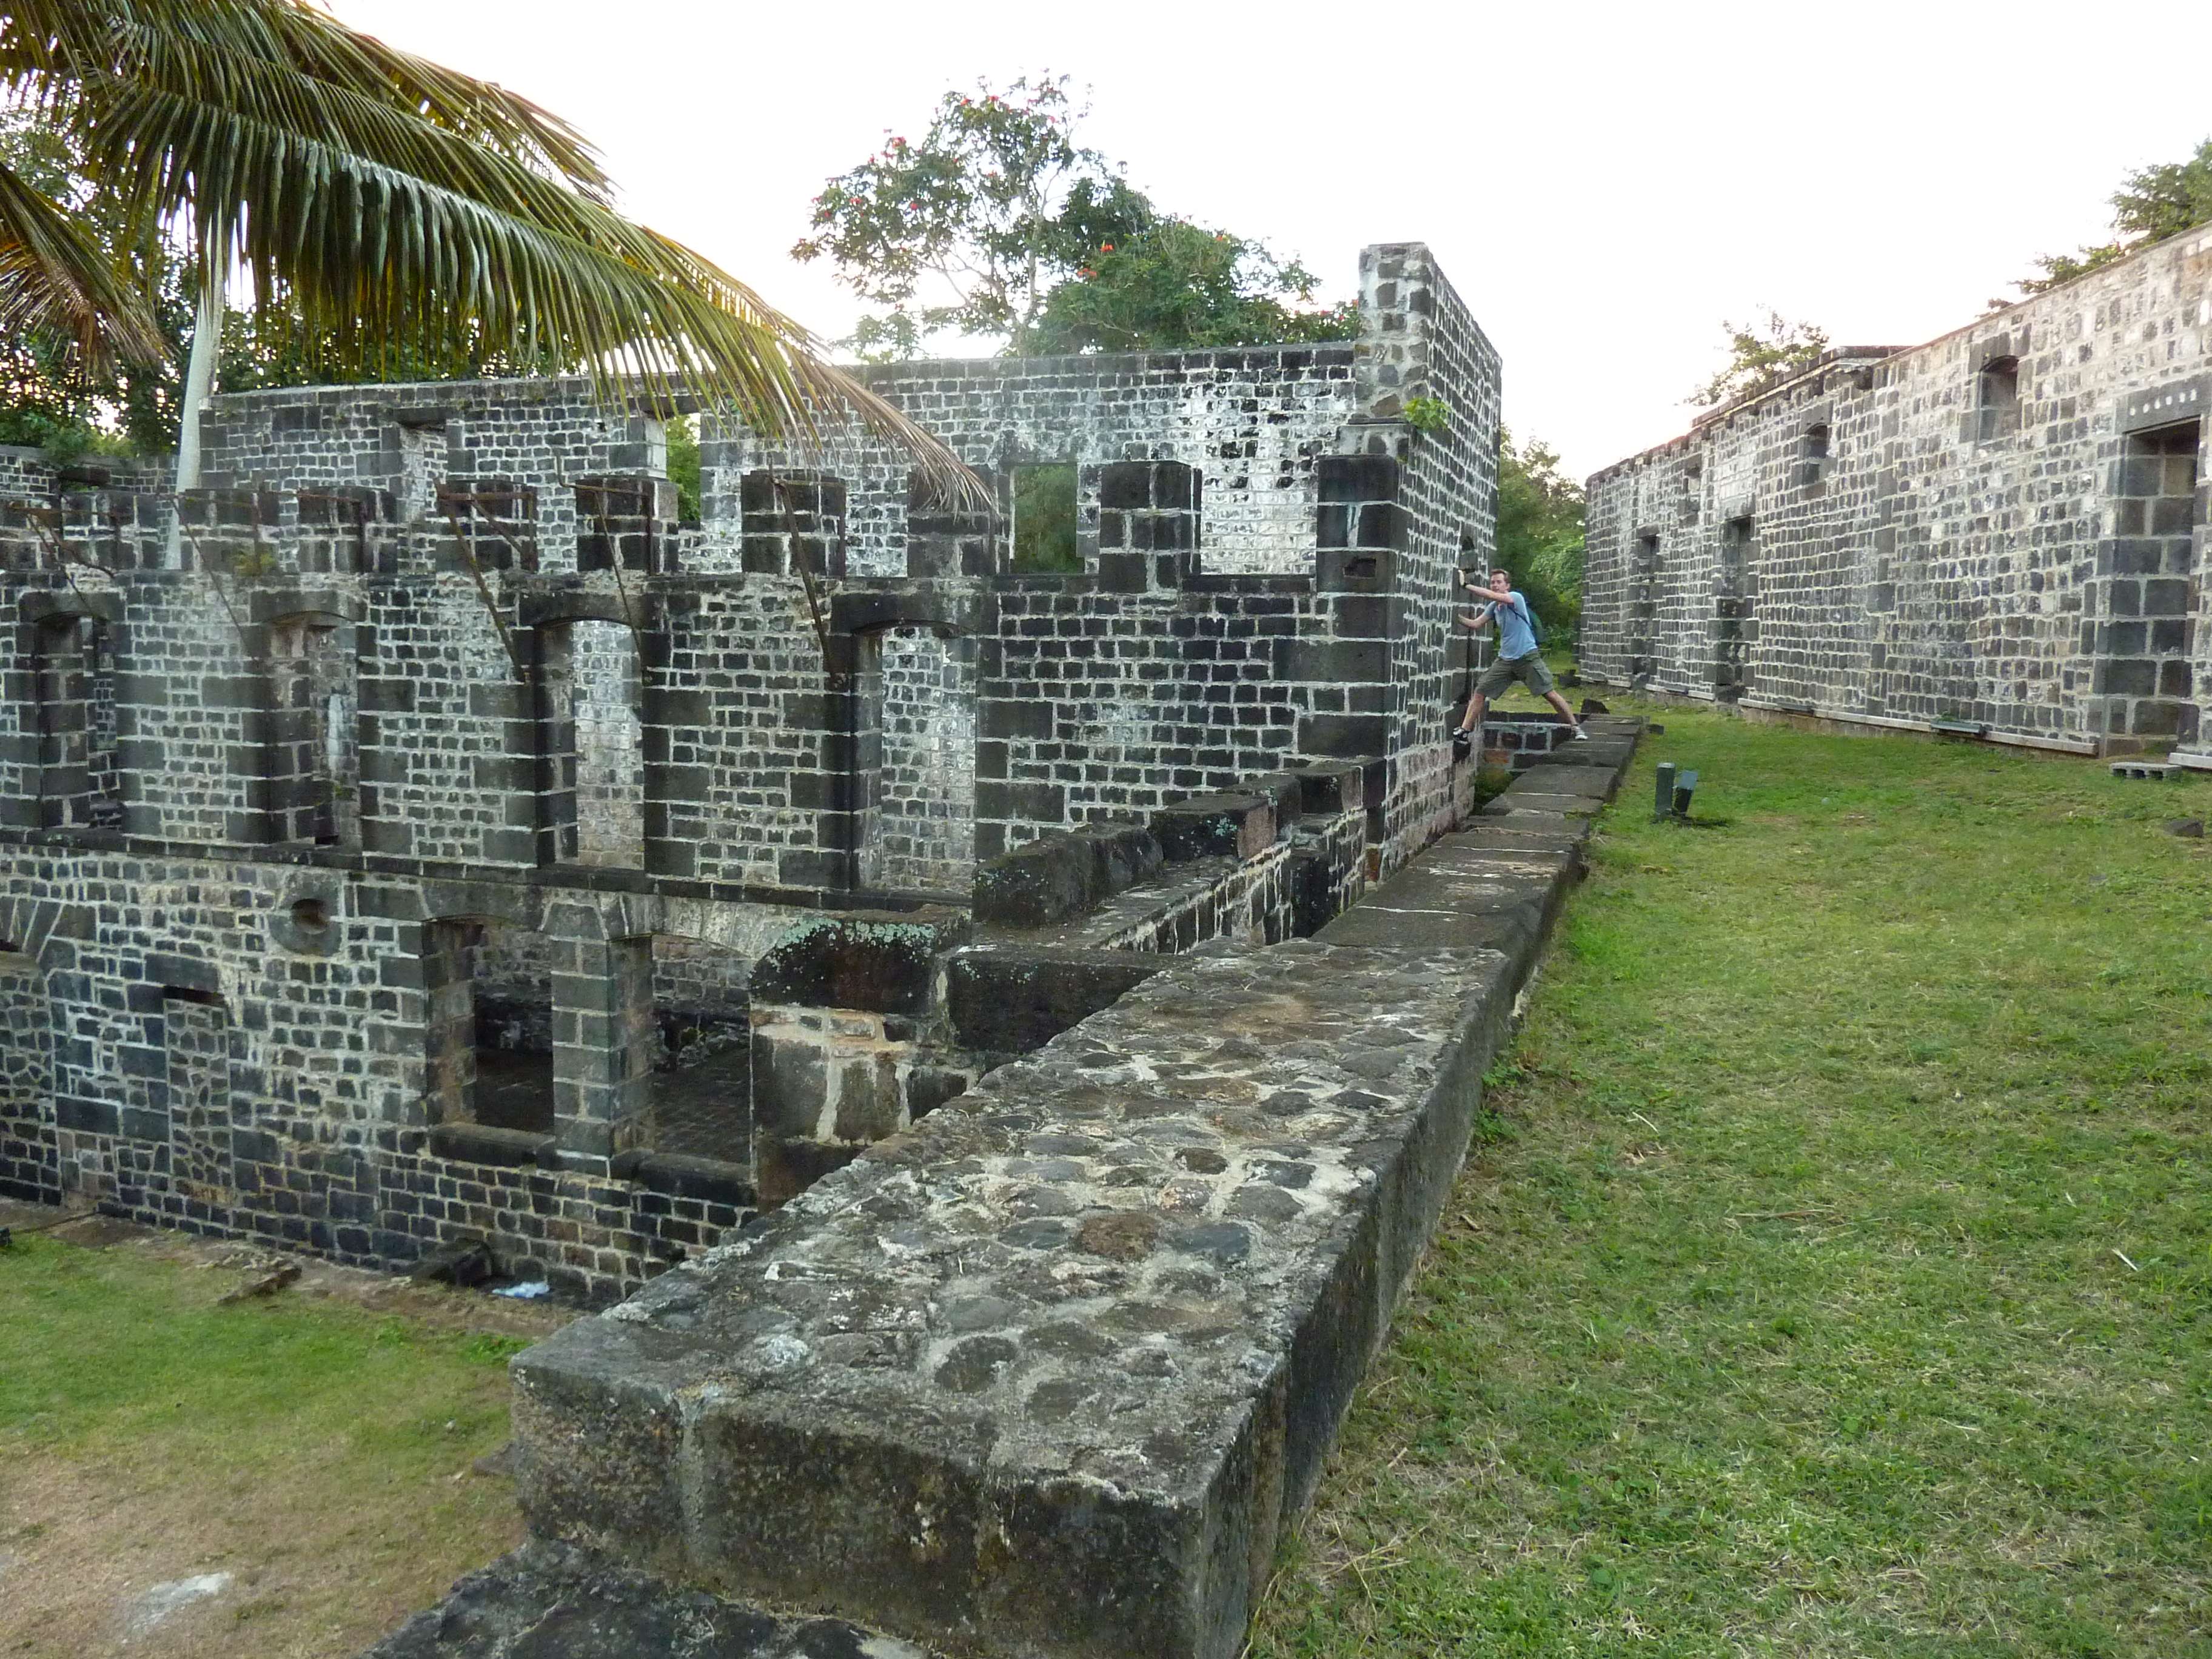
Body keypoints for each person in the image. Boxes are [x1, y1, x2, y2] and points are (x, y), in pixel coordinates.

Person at [1452, 566, 1587, 744]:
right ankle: (1464, 731)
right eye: (1492, 582)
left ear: (1507, 585)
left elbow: (1492, 596)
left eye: (1499, 582)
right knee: (1480, 691)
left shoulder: (1515, 598)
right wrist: (1455, 617)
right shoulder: (1494, 607)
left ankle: (1576, 727)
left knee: (1549, 693)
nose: (1495, 585)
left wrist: (1466, 586)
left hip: (1527, 657)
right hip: (1505, 660)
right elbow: (1476, 624)